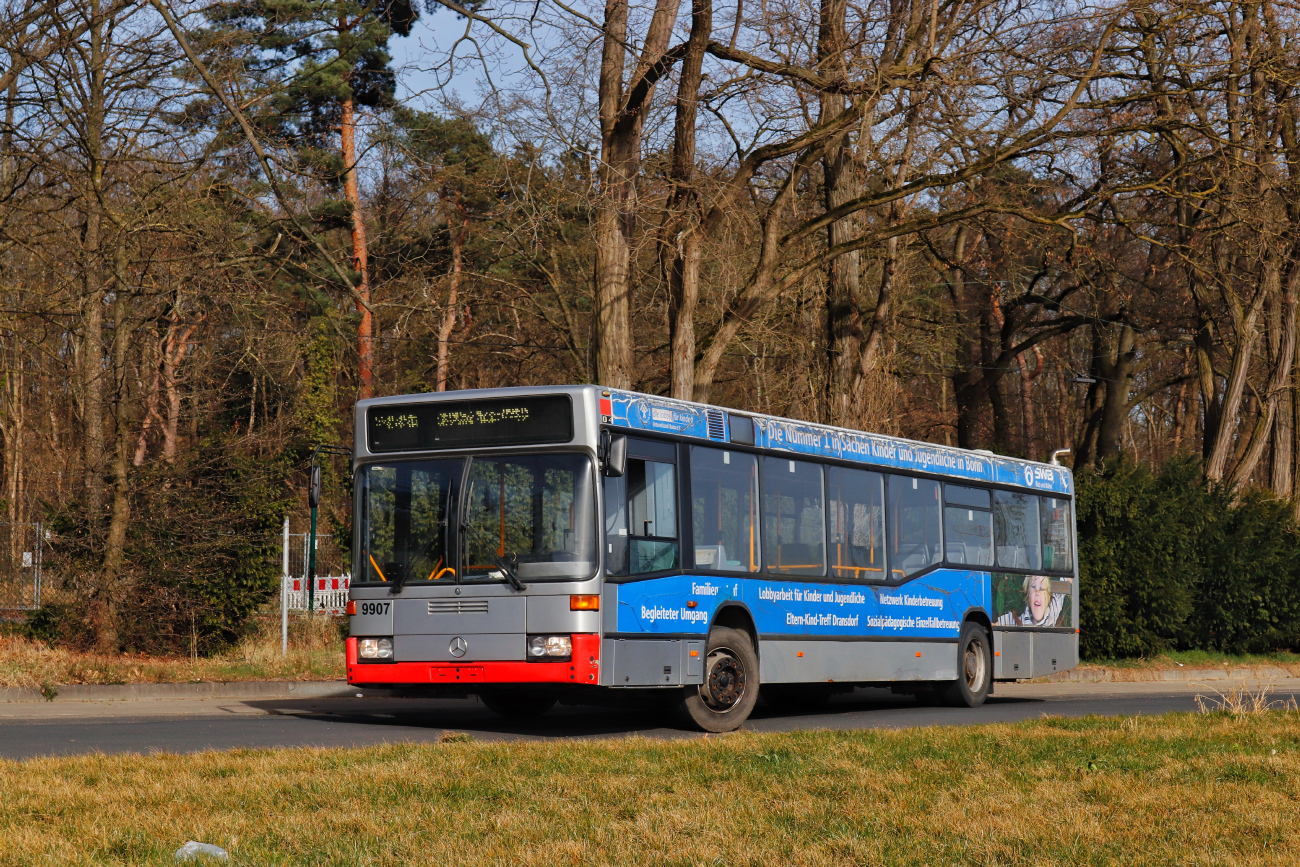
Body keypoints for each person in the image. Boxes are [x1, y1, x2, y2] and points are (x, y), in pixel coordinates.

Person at [996, 574, 1065, 627]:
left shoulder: (1052, 613)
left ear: (1047, 596)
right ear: (1028, 593)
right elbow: (992, 628)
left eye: (1041, 589)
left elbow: (1067, 579)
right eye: (1034, 587)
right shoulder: (1014, 618)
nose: (1037, 592)